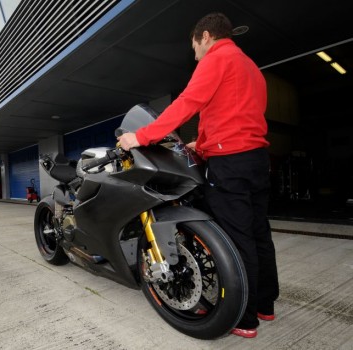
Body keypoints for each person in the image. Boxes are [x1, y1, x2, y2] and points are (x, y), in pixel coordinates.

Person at [117, 13, 279, 338]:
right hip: (257, 159)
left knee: (237, 238)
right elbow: (232, 114)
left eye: (194, 47)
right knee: (260, 233)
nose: (194, 55)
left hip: (230, 163)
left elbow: (189, 102)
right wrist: (200, 143)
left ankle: (244, 319)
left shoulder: (217, 58)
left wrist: (141, 136)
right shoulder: (250, 67)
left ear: (205, 36)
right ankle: (265, 304)